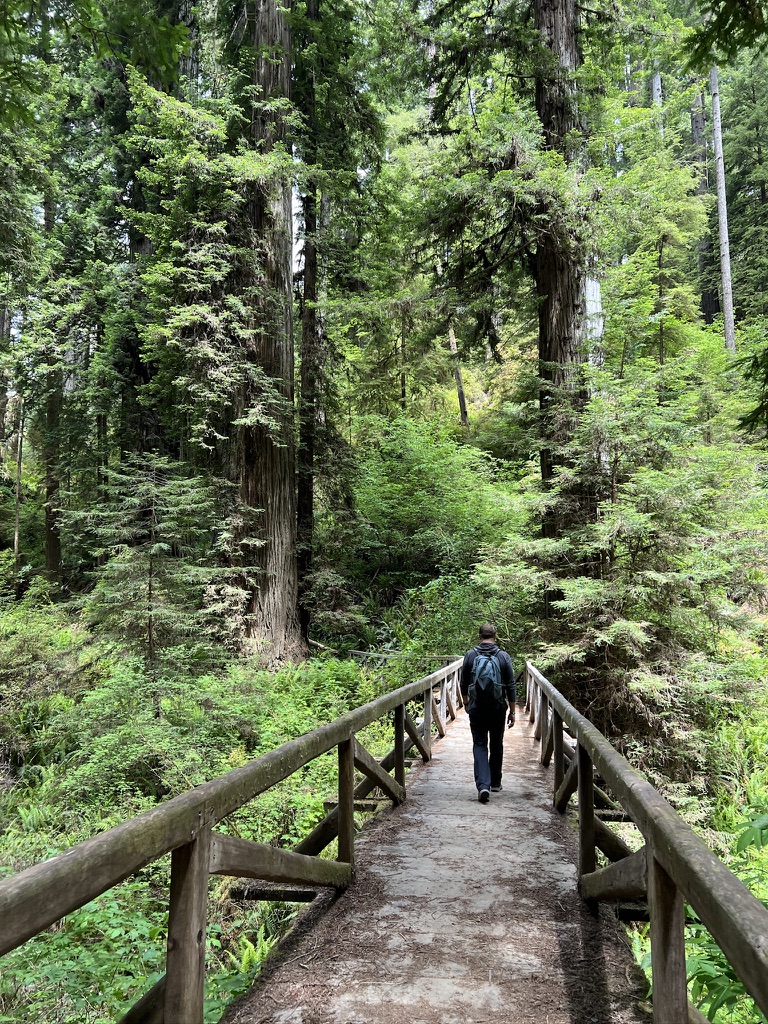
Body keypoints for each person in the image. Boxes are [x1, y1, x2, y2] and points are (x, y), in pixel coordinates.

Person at [460, 623, 516, 803]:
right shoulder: (503, 656)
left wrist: (467, 703)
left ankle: (483, 785)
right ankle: (496, 783)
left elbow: (463, 682)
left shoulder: (470, 655)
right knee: (496, 742)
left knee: (479, 744)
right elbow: (511, 685)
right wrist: (513, 711)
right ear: (495, 636)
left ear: (479, 636)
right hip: (498, 707)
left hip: (477, 707)